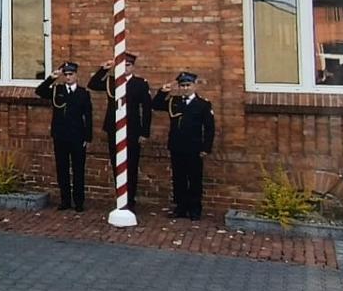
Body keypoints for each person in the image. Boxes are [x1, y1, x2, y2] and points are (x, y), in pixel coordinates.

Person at [87, 53, 153, 210]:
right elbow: (93, 84)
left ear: (133, 67)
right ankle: (120, 198)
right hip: (114, 128)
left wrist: (144, 132)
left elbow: (147, 109)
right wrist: (104, 69)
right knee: (117, 164)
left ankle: (130, 200)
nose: (125, 68)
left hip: (132, 130)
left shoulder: (140, 84)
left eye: (128, 65)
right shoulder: (111, 81)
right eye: (122, 65)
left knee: (131, 165)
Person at [151, 71, 215, 219]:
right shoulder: (174, 101)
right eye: (183, 86)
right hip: (177, 146)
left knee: (194, 179)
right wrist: (163, 92)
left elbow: (209, 128)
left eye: (188, 85)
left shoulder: (203, 104)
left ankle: (195, 209)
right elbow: (156, 105)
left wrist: (206, 148)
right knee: (179, 178)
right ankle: (181, 208)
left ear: (194, 85)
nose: (185, 88)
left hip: (194, 148)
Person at [35, 62, 93, 211]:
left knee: (78, 170)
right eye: (66, 75)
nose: (68, 77)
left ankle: (79, 202)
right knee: (62, 169)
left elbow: (88, 116)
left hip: (77, 137)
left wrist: (87, 137)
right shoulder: (57, 90)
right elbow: (39, 91)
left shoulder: (83, 93)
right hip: (60, 136)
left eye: (71, 74)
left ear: (76, 75)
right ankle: (65, 201)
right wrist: (51, 78)